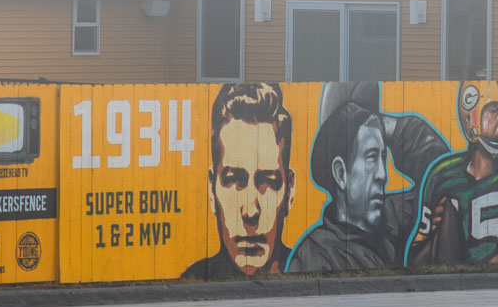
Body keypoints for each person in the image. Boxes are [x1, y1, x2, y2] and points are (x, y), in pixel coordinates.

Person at [286, 82, 448, 273]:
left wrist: (388, 126)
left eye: (383, 157)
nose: (383, 174)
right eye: (371, 157)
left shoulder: (394, 218)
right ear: (340, 174)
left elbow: (442, 176)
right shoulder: (316, 255)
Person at [407, 80, 498, 267]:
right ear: (471, 118)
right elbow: (414, 261)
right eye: (494, 111)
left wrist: (486, 267)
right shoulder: (441, 176)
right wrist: (434, 236)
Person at [182, 82, 294, 280]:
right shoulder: (192, 278)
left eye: (267, 181)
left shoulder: (308, 262)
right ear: (211, 189)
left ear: (289, 193)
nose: (250, 212)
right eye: (234, 180)